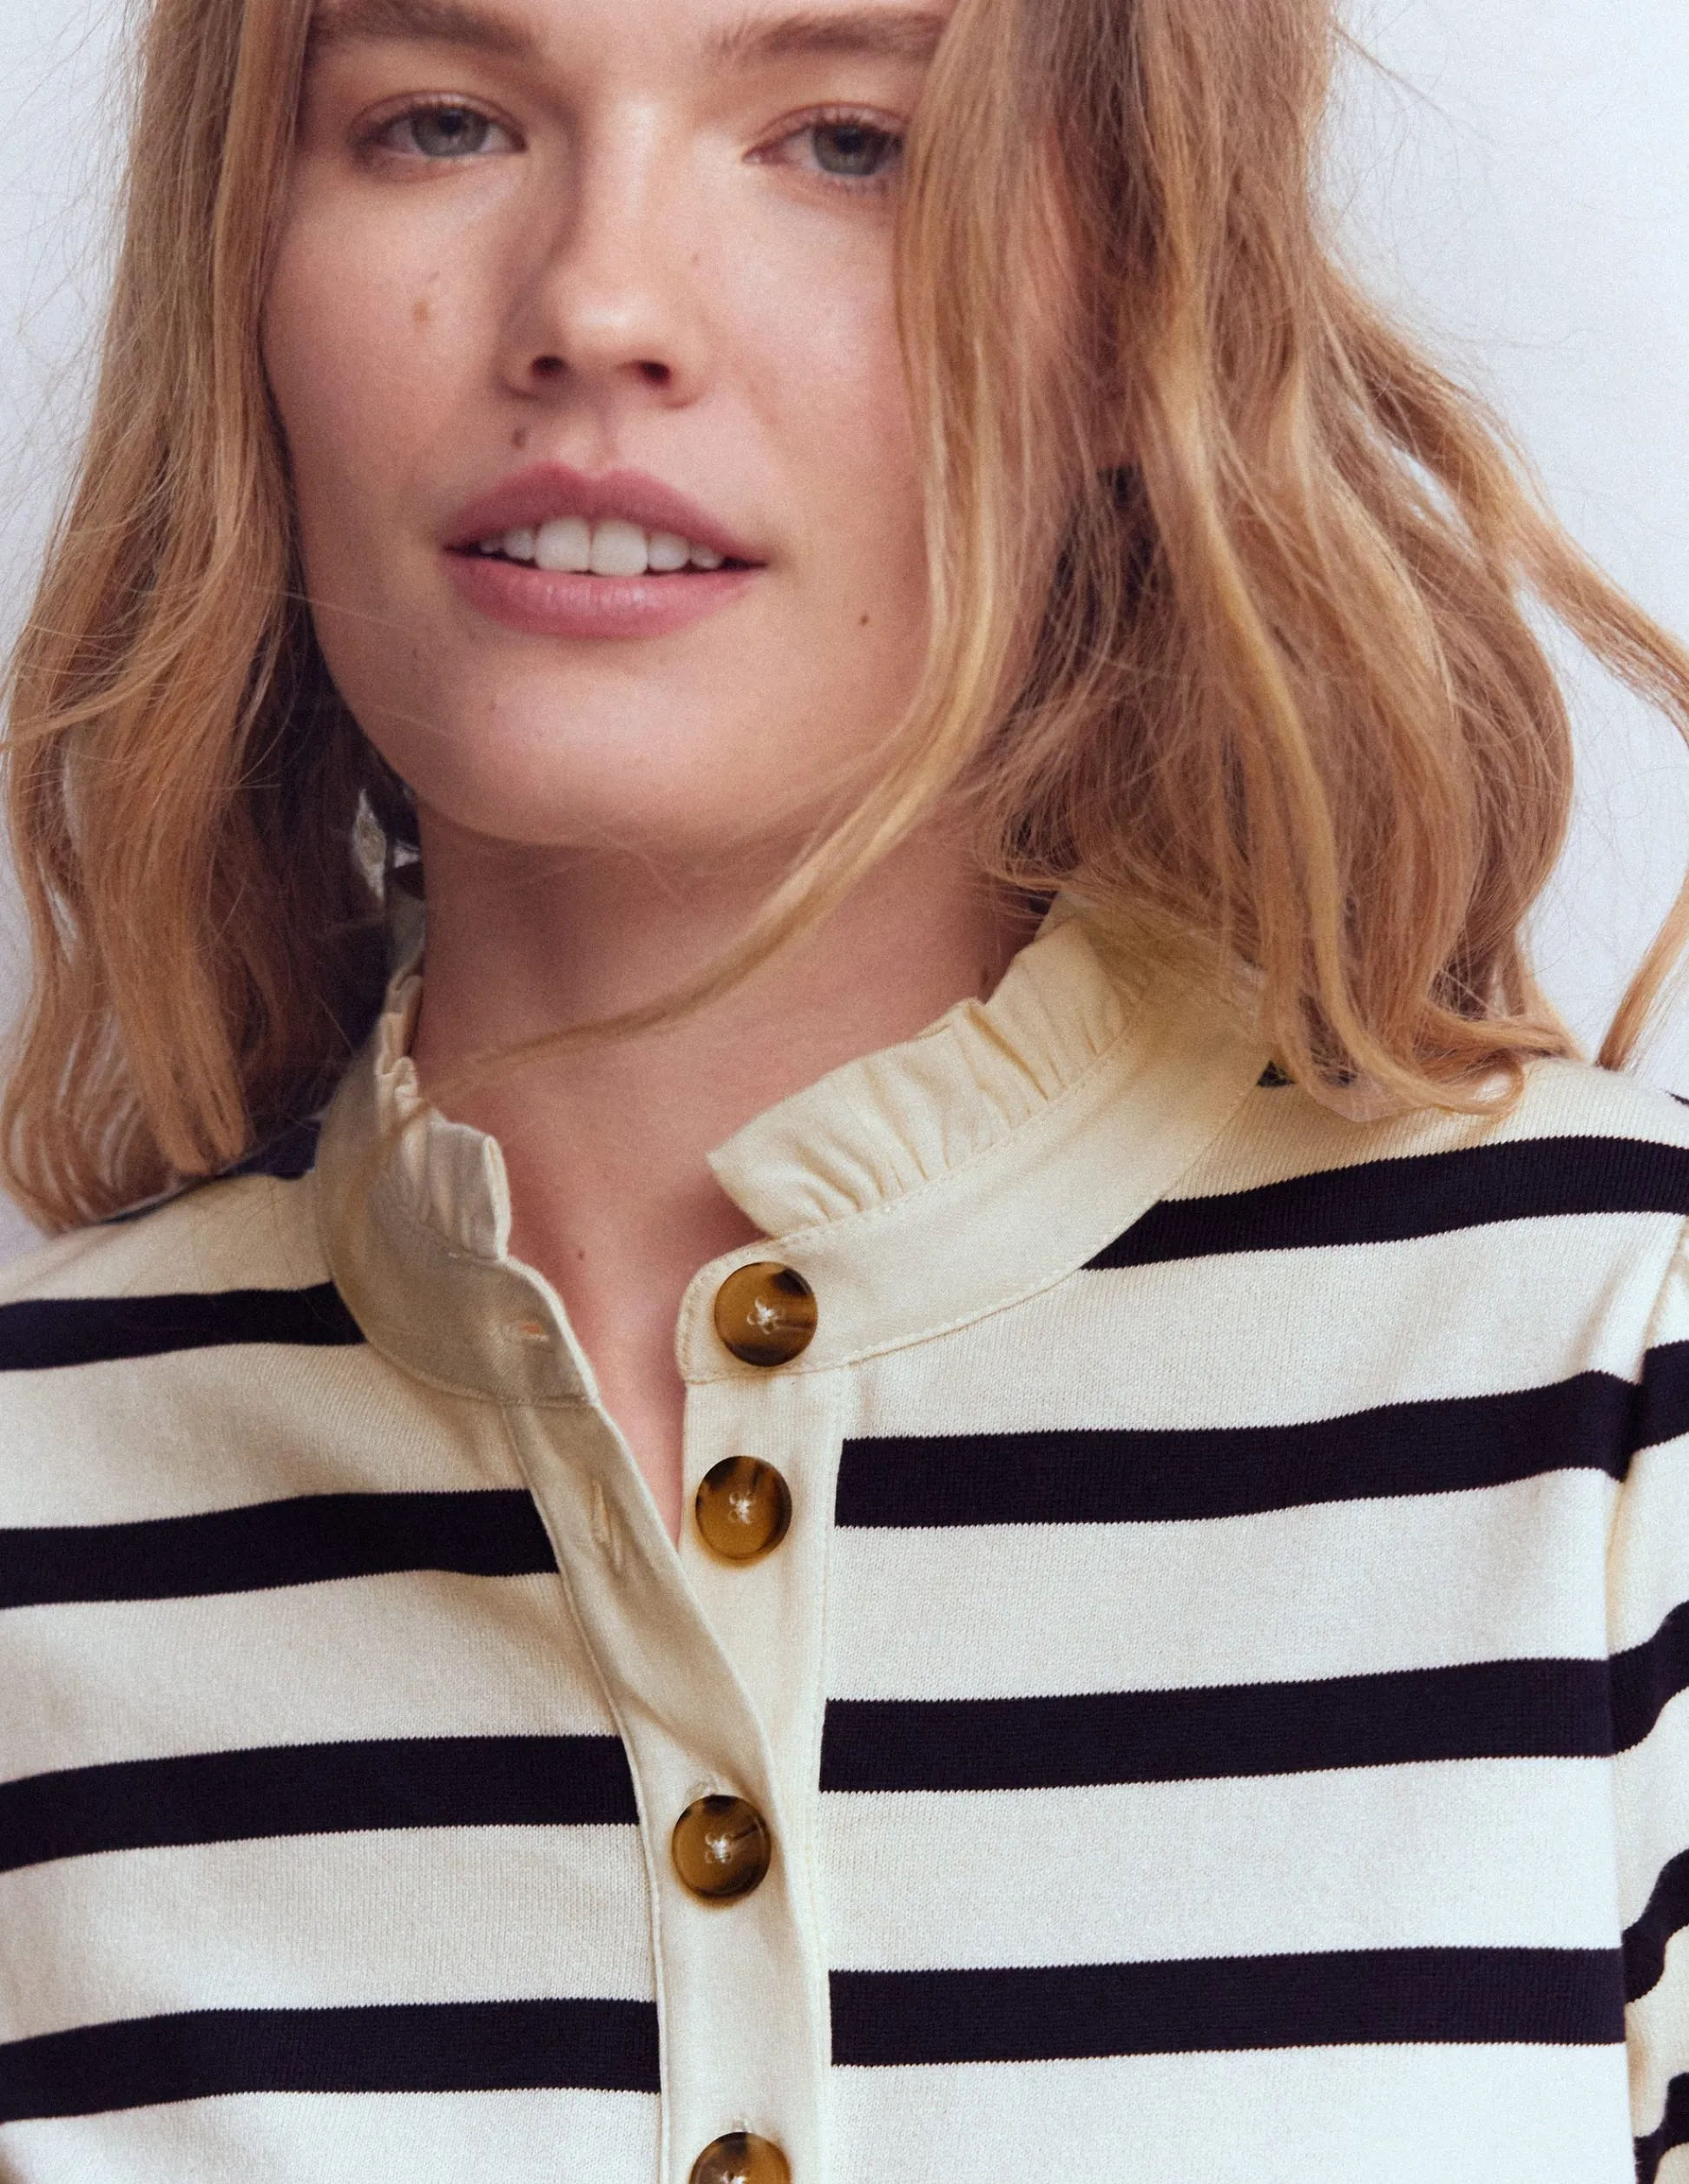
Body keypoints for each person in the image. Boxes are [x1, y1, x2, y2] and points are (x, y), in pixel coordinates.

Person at [1, 0, 1686, 2175]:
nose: (598, 306)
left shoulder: (1613, 1389)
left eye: (845, 144)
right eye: (437, 124)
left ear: (1133, 293)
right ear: (240, 269)